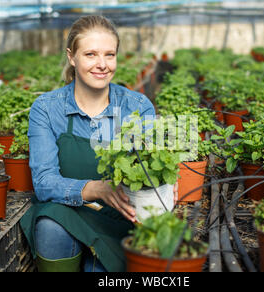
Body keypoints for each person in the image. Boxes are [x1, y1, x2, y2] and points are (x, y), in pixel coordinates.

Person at [20, 15, 161, 272]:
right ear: (72, 57)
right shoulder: (48, 108)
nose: (102, 64)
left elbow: (152, 167)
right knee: (50, 226)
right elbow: (43, 182)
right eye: (91, 54)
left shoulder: (137, 106)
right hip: (68, 212)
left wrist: (164, 184)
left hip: (122, 215)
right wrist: (97, 188)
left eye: (109, 54)